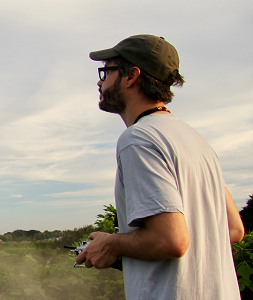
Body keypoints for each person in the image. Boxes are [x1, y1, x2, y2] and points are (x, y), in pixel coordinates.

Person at [75, 34, 245, 299]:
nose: (99, 81)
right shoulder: (197, 141)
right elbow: (234, 229)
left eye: (106, 72)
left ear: (131, 76)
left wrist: (112, 243)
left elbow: (171, 240)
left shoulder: (138, 139)